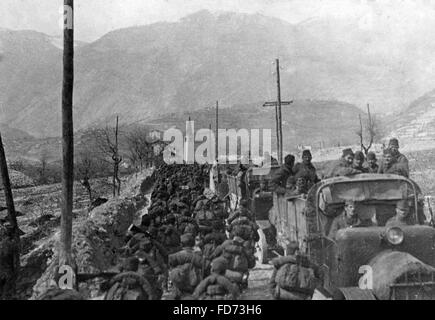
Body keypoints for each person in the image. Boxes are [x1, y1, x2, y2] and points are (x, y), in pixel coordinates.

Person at [168, 233, 204, 300]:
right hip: (195, 284)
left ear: (181, 244)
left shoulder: (175, 256)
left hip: (180, 285)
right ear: (193, 243)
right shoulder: (199, 254)